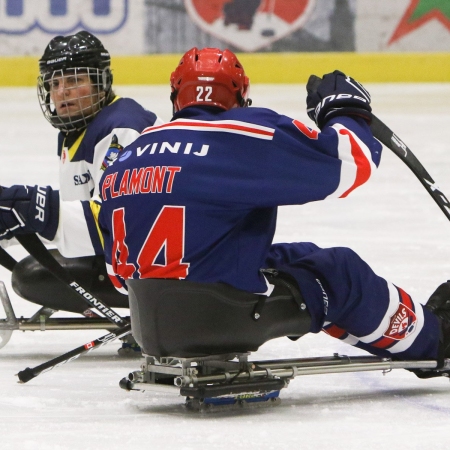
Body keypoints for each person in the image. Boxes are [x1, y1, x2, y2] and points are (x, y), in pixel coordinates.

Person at [1, 47, 449, 377]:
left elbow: (116, 268)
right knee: (338, 272)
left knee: (294, 255)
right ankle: (435, 342)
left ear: (176, 97)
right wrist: (346, 109)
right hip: (224, 318)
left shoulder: (133, 150)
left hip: (147, 321)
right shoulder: (246, 132)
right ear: (240, 96)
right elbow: (351, 163)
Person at [1, 30, 164, 355]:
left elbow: (121, 223)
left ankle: (152, 314)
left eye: (75, 80)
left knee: (31, 276)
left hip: (158, 266)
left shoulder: (120, 130)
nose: (63, 92)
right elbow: (82, 216)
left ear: (102, 81)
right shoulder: (80, 127)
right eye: (55, 83)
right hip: (130, 257)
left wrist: (30, 208)